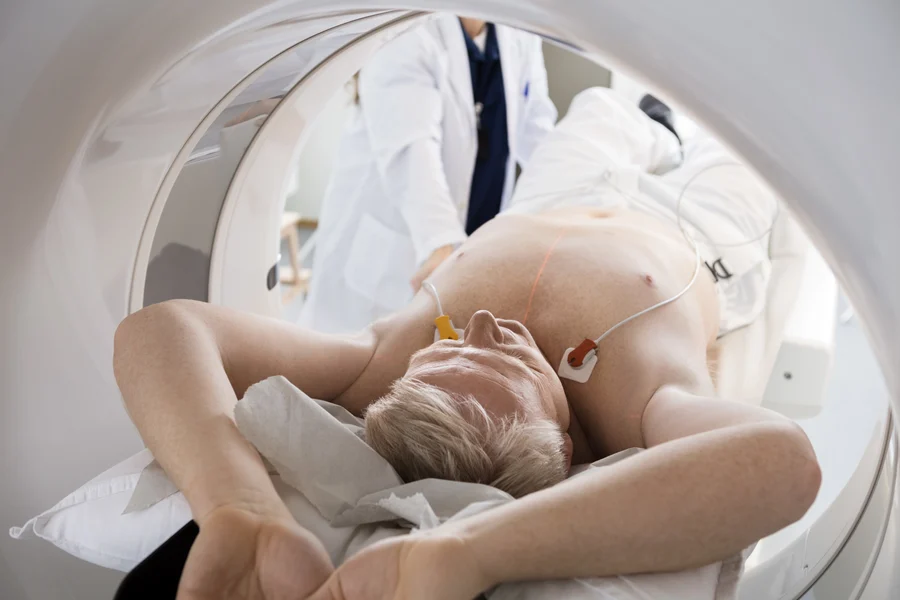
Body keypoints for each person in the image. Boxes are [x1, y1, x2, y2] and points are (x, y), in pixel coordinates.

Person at [113, 88, 820, 600]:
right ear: (565, 440)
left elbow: (164, 329)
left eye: (448, 346)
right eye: (509, 362)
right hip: (693, 228)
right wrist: (471, 553)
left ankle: (653, 121)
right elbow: (782, 461)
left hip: (545, 199)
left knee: (600, 115)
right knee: (748, 141)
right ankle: (684, 132)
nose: (481, 326)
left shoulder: (383, 362)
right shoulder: (636, 401)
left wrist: (240, 509)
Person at [299, 14, 558, 334]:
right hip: (400, 247)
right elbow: (412, 151)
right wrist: (441, 244)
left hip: (474, 232)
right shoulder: (405, 28)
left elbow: (539, 132)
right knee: (354, 367)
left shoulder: (517, 29)